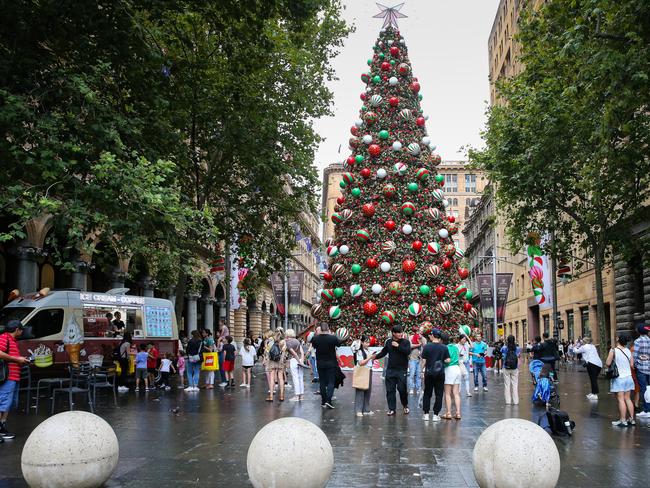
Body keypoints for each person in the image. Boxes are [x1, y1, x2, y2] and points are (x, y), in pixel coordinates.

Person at [370, 325, 411, 416]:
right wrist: (375, 357)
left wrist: (398, 346)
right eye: (399, 332)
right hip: (391, 370)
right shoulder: (388, 342)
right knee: (390, 390)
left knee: (402, 389)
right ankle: (392, 409)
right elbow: (383, 352)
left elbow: (408, 351)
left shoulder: (405, 342)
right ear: (393, 333)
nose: (401, 334)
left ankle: (405, 405)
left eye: (402, 332)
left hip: (401, 370)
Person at [0, 320, 29, 442]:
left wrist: (22, 360)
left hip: (13, 377)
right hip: (7, 377)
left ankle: (2, 428)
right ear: (17, 329)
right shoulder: (4, 337)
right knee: (2, 403)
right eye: (21, 330)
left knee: (8, 404)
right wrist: (17, 360)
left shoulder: (12, 341)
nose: (22, 332)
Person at [605, 335, 635, 427]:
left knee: (621, 400)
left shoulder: (613, 350)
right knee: (628, 399)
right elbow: (631, 364)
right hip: (628, 377)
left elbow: (607, 363)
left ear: (618, 340)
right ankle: (631, 419)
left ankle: (623, 420)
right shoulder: (628, 351)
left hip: (619, 378)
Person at [420, 329, 450, 421]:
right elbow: (448, 360)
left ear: (433, 336)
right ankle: (436, 415)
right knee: (439, 394)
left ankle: (426, 414)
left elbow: (423, 361)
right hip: (440, 373)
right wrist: (442, 360)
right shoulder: (444, 347)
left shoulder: (427, 347)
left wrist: (421, 371)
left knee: (427, 393)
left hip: (429, 373)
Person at [310, 323, 340, 409]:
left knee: (322, 382)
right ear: (327, 328)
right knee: (331, 382)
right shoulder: (333, 338)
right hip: (331, 363)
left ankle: (323, 401)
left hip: (320, 363)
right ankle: (328, 400)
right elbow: (339, 344)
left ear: (321, 329)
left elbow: (314, 346)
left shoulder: (315, 339)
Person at [442, 332, 462, 420]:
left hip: (449, 369)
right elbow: (458, 357)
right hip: (457, 369)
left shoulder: (444, 348)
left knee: (447, 393)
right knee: (456, 393)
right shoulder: (455, 347)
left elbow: (446, 360)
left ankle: (448, 413)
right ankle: (458, 413)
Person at [353, 335, 374, 416]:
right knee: (360, 391)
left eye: (369, 342)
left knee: (368, 391)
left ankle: (366, 409)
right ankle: (358, 410)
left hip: (369, 370)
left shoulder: (368, 351)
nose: (368, 344)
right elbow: (361, 363)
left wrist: (373, 357)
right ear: (362, 342)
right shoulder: (359, 352)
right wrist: (369, 358)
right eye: (366, 342)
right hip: (362, 371)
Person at [263, 329, 286, 402]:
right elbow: (285, 353)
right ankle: (282, 396)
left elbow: (266, 352)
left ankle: (271, 396)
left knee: (272, 378)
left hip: (272, 361)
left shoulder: (270, 341)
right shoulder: (283, 342)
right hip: (281, 361)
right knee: (281, 378)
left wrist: (265, 359)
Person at [633, 323, 650, 418]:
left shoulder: (637, 341)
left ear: (639, 331)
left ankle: (646, 410)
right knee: (649, 388)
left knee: (643, 389)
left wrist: (635, 365)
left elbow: (635, 355)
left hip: (641, 368)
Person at [284, 329, 305, 402]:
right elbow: (302, 352)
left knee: (295, 378)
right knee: (300, 378)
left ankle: (296, 396)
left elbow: (294, 353)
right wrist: (301, 361)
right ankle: (301, 395)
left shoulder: (288, 342)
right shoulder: (297, 341)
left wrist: (298, 361)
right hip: (300, 360)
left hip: (294, 360)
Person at [501, 335, 521, 405]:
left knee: (507, 385)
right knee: (515, 385)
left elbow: (503, 357)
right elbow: (518, 357)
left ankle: (508, 401)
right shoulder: (517, 348)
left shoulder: (504, 348)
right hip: (515, 368)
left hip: (506, 367)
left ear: (507, 340)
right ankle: (516, 401)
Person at [407, 331, 423, 396]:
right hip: (412, 359)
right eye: (419, 331)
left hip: (419, 360)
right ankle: (411, 388)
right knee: (412, 374)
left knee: (418, 375)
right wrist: (419, 344)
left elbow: (424, 347)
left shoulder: (423, 339)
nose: (420, 333)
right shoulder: (411, 337)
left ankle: (418, 389)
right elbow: (410, 346)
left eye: (421, 332)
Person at [217, 320, 230, 385]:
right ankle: (226, 381)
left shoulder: (223, 327)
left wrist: (220, 336)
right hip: (225, 357)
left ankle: (225, 381)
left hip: (224, 356)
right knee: (225, 368)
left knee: (223, 367)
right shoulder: (227, 344)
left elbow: (222, 333)